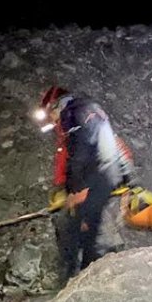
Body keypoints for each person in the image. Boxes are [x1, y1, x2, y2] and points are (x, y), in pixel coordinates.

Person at [38, 86, 128, 279]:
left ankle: (77, 276)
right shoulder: (85, 109)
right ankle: (84, 273)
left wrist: (77, 190)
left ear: (55, 106)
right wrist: (64, 186)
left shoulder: (72, 113)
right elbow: (71, 154)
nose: (51, 120)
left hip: (96, 177)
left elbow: (80, 153)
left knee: (79, 229)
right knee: (84, 227)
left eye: (50, 114)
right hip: (104, 175)